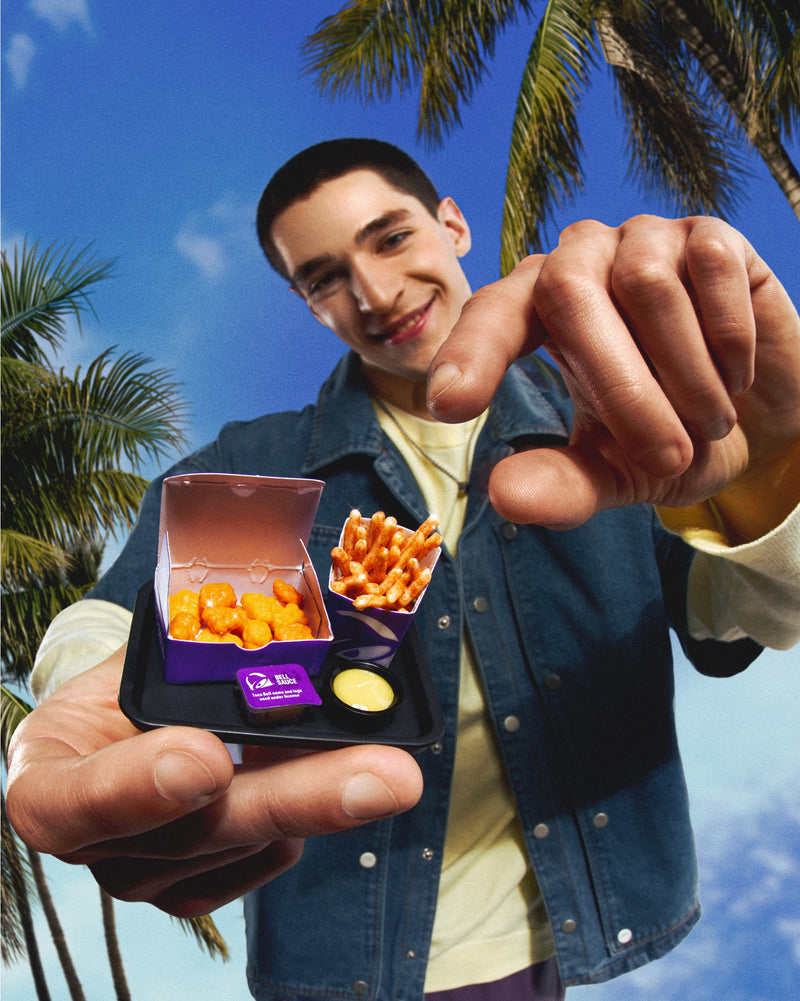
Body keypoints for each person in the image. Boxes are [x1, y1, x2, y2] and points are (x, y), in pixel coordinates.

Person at [7, 138, 799, 1001]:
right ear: (309, 304)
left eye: (389, 239)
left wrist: (774, 472)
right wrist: (88, 684)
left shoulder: (618, 425)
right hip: (341, 963)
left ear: (452, 225)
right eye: (324, 276)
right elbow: (114, 620)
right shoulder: (260, 467)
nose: (375, 295)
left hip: (566, 939)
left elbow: (741, 611)